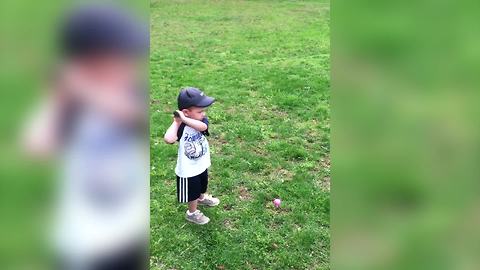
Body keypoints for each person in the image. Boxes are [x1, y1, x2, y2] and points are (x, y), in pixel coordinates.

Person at [164, 87, 220, 225]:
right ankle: (192, 212)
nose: (203, 113)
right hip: (188, 169)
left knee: (202, 184)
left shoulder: (201, 121)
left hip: (201, 163)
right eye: (200, 111)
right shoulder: (181, 126)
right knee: (192, 192)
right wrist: (177, 122)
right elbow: (169, 139)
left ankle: (201, 198)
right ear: (186, 112)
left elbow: (203, 128)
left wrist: (186, 119)